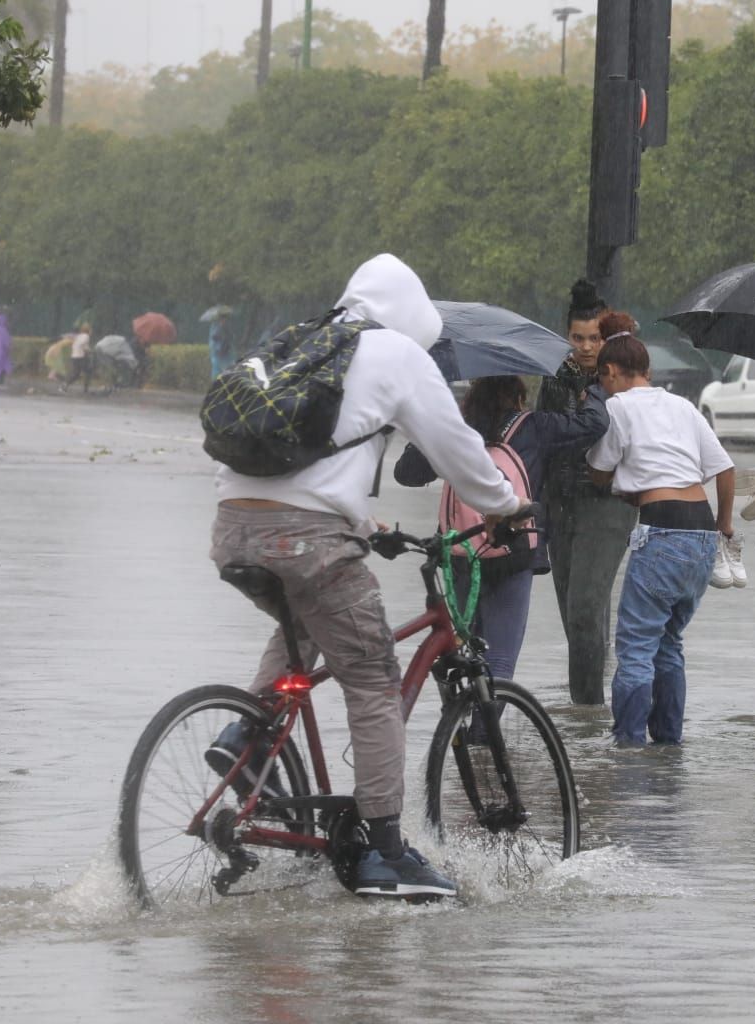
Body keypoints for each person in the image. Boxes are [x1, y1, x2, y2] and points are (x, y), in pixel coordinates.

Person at [208, 253, 527, 899]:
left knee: (310, 620)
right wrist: (507, 505)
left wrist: (363, 522)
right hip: (310, 540)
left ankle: (246, 736)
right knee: (375, 679)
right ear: (415, 317)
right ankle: (384, 851)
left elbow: (303, 460)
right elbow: (460, 451)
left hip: (233, 527)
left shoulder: (305, 343)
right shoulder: (398, 354)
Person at [393, 374, 608, 683]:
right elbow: (594, 424)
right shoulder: (535, 427)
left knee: (467, 652)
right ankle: (489, 716)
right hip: (513, 549)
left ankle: (461, 712)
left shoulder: (456, 429)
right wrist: (595, 390)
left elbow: (407, 473)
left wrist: (431, 424)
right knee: (500, 659)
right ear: (519, 399)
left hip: (461, 550)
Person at [585, 312, 736, 745]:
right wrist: (724, 526)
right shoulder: (682, 405)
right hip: (702, 535)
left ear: (611, 372)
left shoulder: (616, 407)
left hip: (662, 532)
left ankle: (628, 748)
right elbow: (724, 469)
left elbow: (598, 472)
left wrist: (617, 481)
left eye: (603, 379)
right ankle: (669, 746)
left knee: (635, 648)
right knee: (668, 643)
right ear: (647, 371)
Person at [538, 280, 636, 705]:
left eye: (594, 338)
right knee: (574, 614)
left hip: (608, 503)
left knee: (584, 609)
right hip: (559, 503)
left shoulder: (620, 377)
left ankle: (589, 711)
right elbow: (542, 439)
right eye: (577, 338)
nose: (585, 347)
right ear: (567, 336)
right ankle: (588, 710)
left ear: (605, 337)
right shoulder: (554, 378)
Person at [63, 323, 92, 393]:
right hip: (80, 356)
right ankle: (85, 389)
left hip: (74, 356)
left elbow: (80, 345)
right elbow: (84, 346)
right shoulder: (86, 336)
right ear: (88, 330)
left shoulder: (79, 336)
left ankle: (65, 384)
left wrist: (87, 349)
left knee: (76, 374)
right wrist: (90, 351)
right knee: (88, 372)